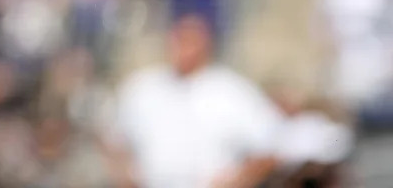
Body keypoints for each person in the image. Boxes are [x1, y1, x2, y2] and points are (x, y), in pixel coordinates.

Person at [105, 10, 283, 188]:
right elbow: (114, 143)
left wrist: (237, 182)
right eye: (179, 39)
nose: (183, 48)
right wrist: (126, 178)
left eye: (190, 40)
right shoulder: (142, 88)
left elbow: (271, 150)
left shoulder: (234, 92)